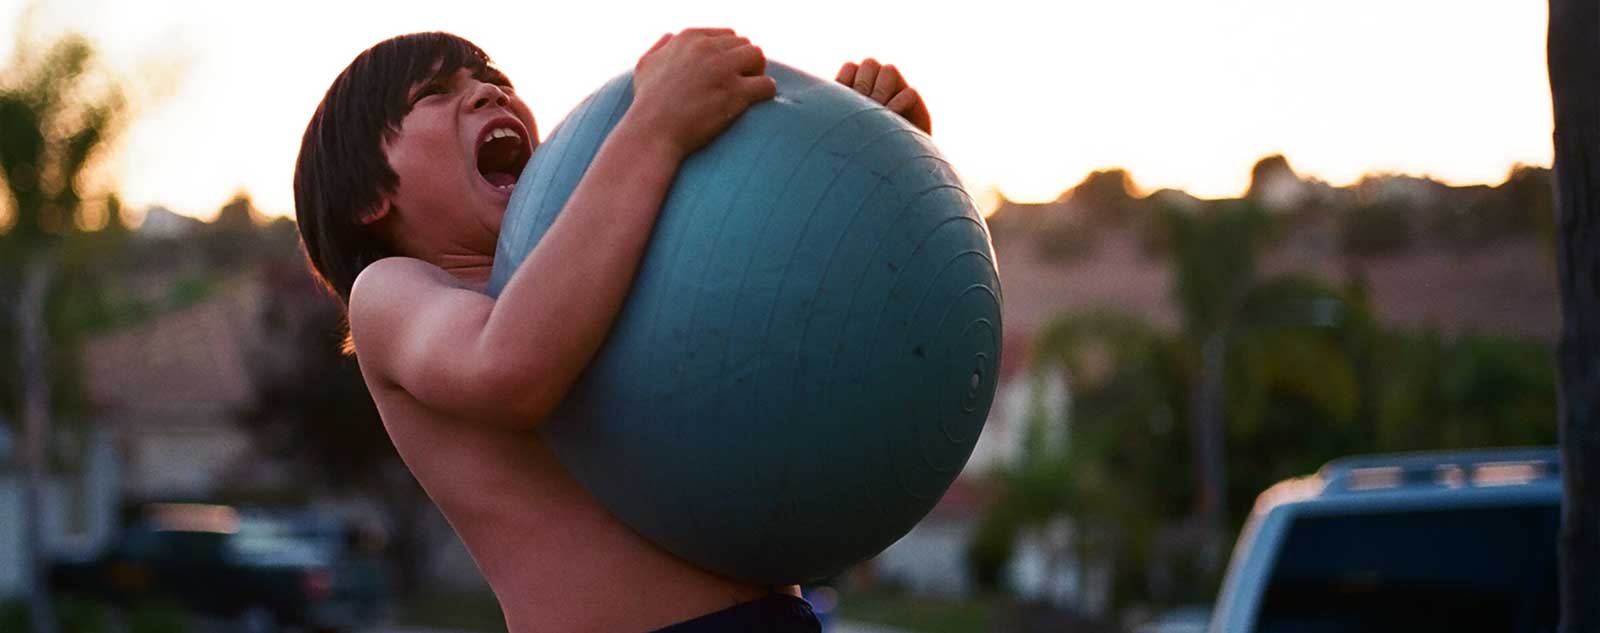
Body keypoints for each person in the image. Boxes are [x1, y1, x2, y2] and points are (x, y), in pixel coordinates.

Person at [292, 29, 932, 632]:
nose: (488, 92)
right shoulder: (393, 291)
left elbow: (795, 323)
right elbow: (510, 366)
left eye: (489, 78)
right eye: (435, 94)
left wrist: (866, 177)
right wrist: (652, 129)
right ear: (368, 197)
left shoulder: (613, 266)